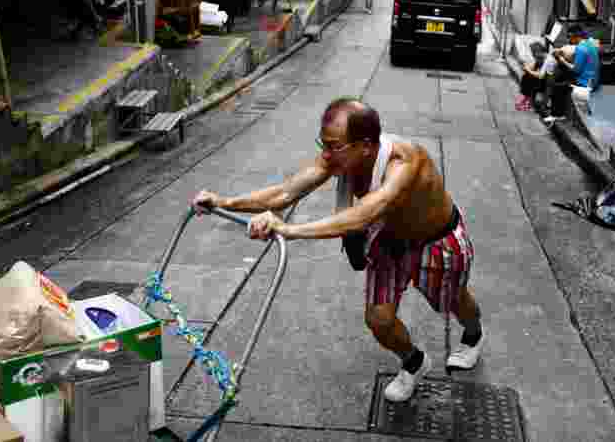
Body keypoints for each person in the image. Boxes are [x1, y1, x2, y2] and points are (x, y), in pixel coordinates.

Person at [192, 98, 485, 403]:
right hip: (390, 241)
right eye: (324, 144)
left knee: (454, 300)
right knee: (378, 319)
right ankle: (414, 362)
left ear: (366, 146)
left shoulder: (405, 162)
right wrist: (223, 202)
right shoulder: (340, 157)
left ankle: (474, 334)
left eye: (334, 146)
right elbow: (286, 191)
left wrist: (287, 229)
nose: (326, 155)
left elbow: (363, 215)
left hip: (435, 241)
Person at [545, 25, 600, 125]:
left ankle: (558, 114)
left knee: (558, 86)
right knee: (562, 74)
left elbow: (575, 70)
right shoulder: (590, 44)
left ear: (576, 36)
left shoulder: (581, 48)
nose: (569, 40)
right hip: (593, 78)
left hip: (585, 82)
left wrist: (562, 60)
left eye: (570, 37)